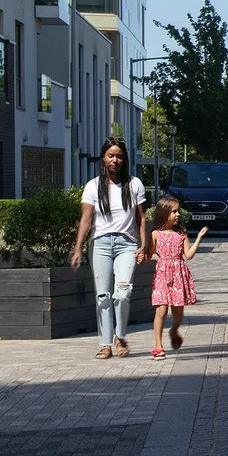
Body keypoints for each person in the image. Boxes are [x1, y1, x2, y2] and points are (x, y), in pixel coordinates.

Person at [68, 139, 146, 359]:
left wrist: (143, 245)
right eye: (111, 155)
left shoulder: (134, 184)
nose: (115, 160)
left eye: (119, 156)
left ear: (125, 159)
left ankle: (120, 336)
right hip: (100, 244)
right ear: (103, 158)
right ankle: (105, 344)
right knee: (103, 296)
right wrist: (77, 249)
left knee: (123, 293)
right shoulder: (93, 186)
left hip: (126, 244)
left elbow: (141, 217)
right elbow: (86, 219)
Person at [145, 197, 201, 357]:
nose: (178, 214)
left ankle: (174, 330)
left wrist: (198, 238)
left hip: (178, 275)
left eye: (178, 211)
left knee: (178, 313)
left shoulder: (181, 234)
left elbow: (188, 254)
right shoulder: (155, 234)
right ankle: (158, 345)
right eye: (174, 211)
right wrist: (140, 256)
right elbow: (149, 256)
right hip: (162, 275)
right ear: (164, 213)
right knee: (161, 309)